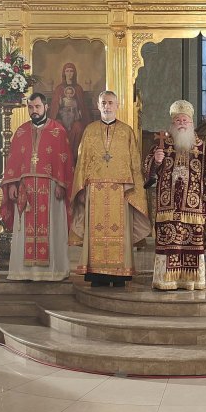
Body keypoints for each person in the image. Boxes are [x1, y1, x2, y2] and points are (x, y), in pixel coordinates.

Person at [70, 90, 151, 287]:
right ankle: (97, 275)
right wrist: (80, 190)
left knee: (119, 232)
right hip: (94, 191)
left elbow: (134, 163)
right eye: (103, 103)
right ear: (98, 106)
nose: (107, 106)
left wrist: (135, 191)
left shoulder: (127, 131)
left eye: (110, 103)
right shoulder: (89, 131)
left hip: (120, 192)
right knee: (95, 232)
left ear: (117, 106)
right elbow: (82, 162)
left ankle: (119, 274)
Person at [143, 100, 206, 291]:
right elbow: (148, 172)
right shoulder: (161, 144)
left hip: (193, 207)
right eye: (178, 120)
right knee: (169, 243)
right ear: (172, 123)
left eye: (185, 119)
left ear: (191, 122)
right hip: (167, 206)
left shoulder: (202, 147)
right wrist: (156, 162)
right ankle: (166, 280)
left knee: (191, 244)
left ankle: (191, 280)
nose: (182, 123)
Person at [0, 92, 74, 282]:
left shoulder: (58, 131)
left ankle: (53, 271)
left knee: (51, 228)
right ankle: (24, 272)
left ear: (46, 107)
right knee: (24, 231)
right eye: (31, 107)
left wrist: (61, 184)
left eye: (37, 107)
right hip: (25, 190)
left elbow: (64, 161)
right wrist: (12, 185)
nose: (34, 111)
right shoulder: (21, 131)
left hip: (50, 189)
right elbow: (14, 161)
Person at [49, 62, 90, 162]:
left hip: (75, 118)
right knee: (58, 126)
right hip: (62, 118)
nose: (69, 73)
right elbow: (54, 107)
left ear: (74, 73)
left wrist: (80, 114)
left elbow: (82, 107)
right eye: (67, 71)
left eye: (71, 71)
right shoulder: (59, 88)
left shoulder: (78, 89)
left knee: (78, 127)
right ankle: (60, 154)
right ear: (64, 73)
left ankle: (74, 155)